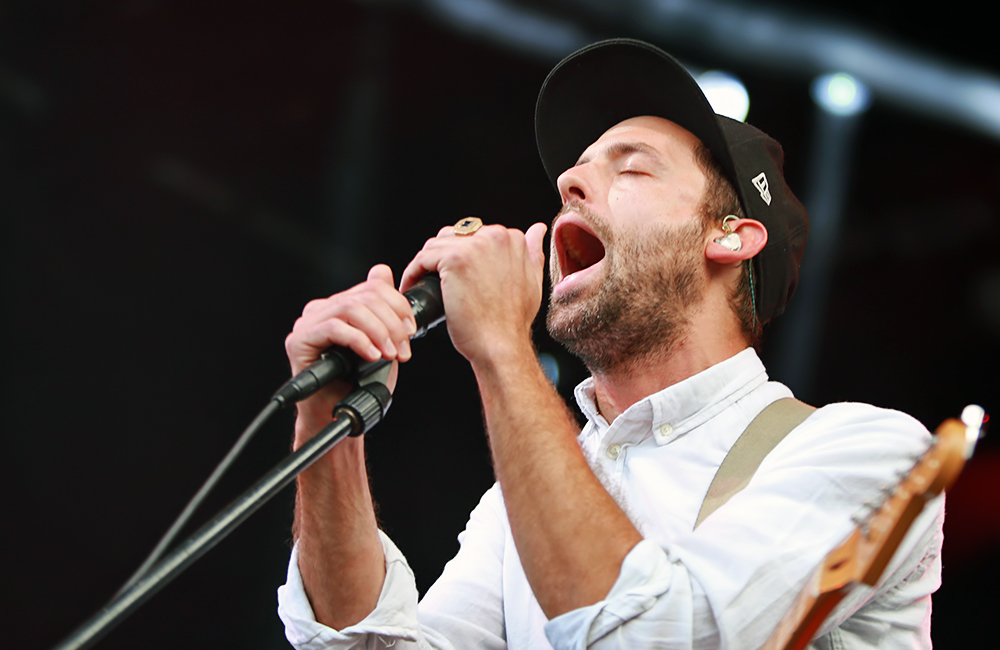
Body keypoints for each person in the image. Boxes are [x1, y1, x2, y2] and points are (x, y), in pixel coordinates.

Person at [277, 39, 943, 649]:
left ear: (731, 236)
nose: (569, 183)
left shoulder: (867, 453)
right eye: (577, 169)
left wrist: (503, 347)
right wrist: (327, 427)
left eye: (632, 170)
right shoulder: (525, 499)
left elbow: (653, 637)